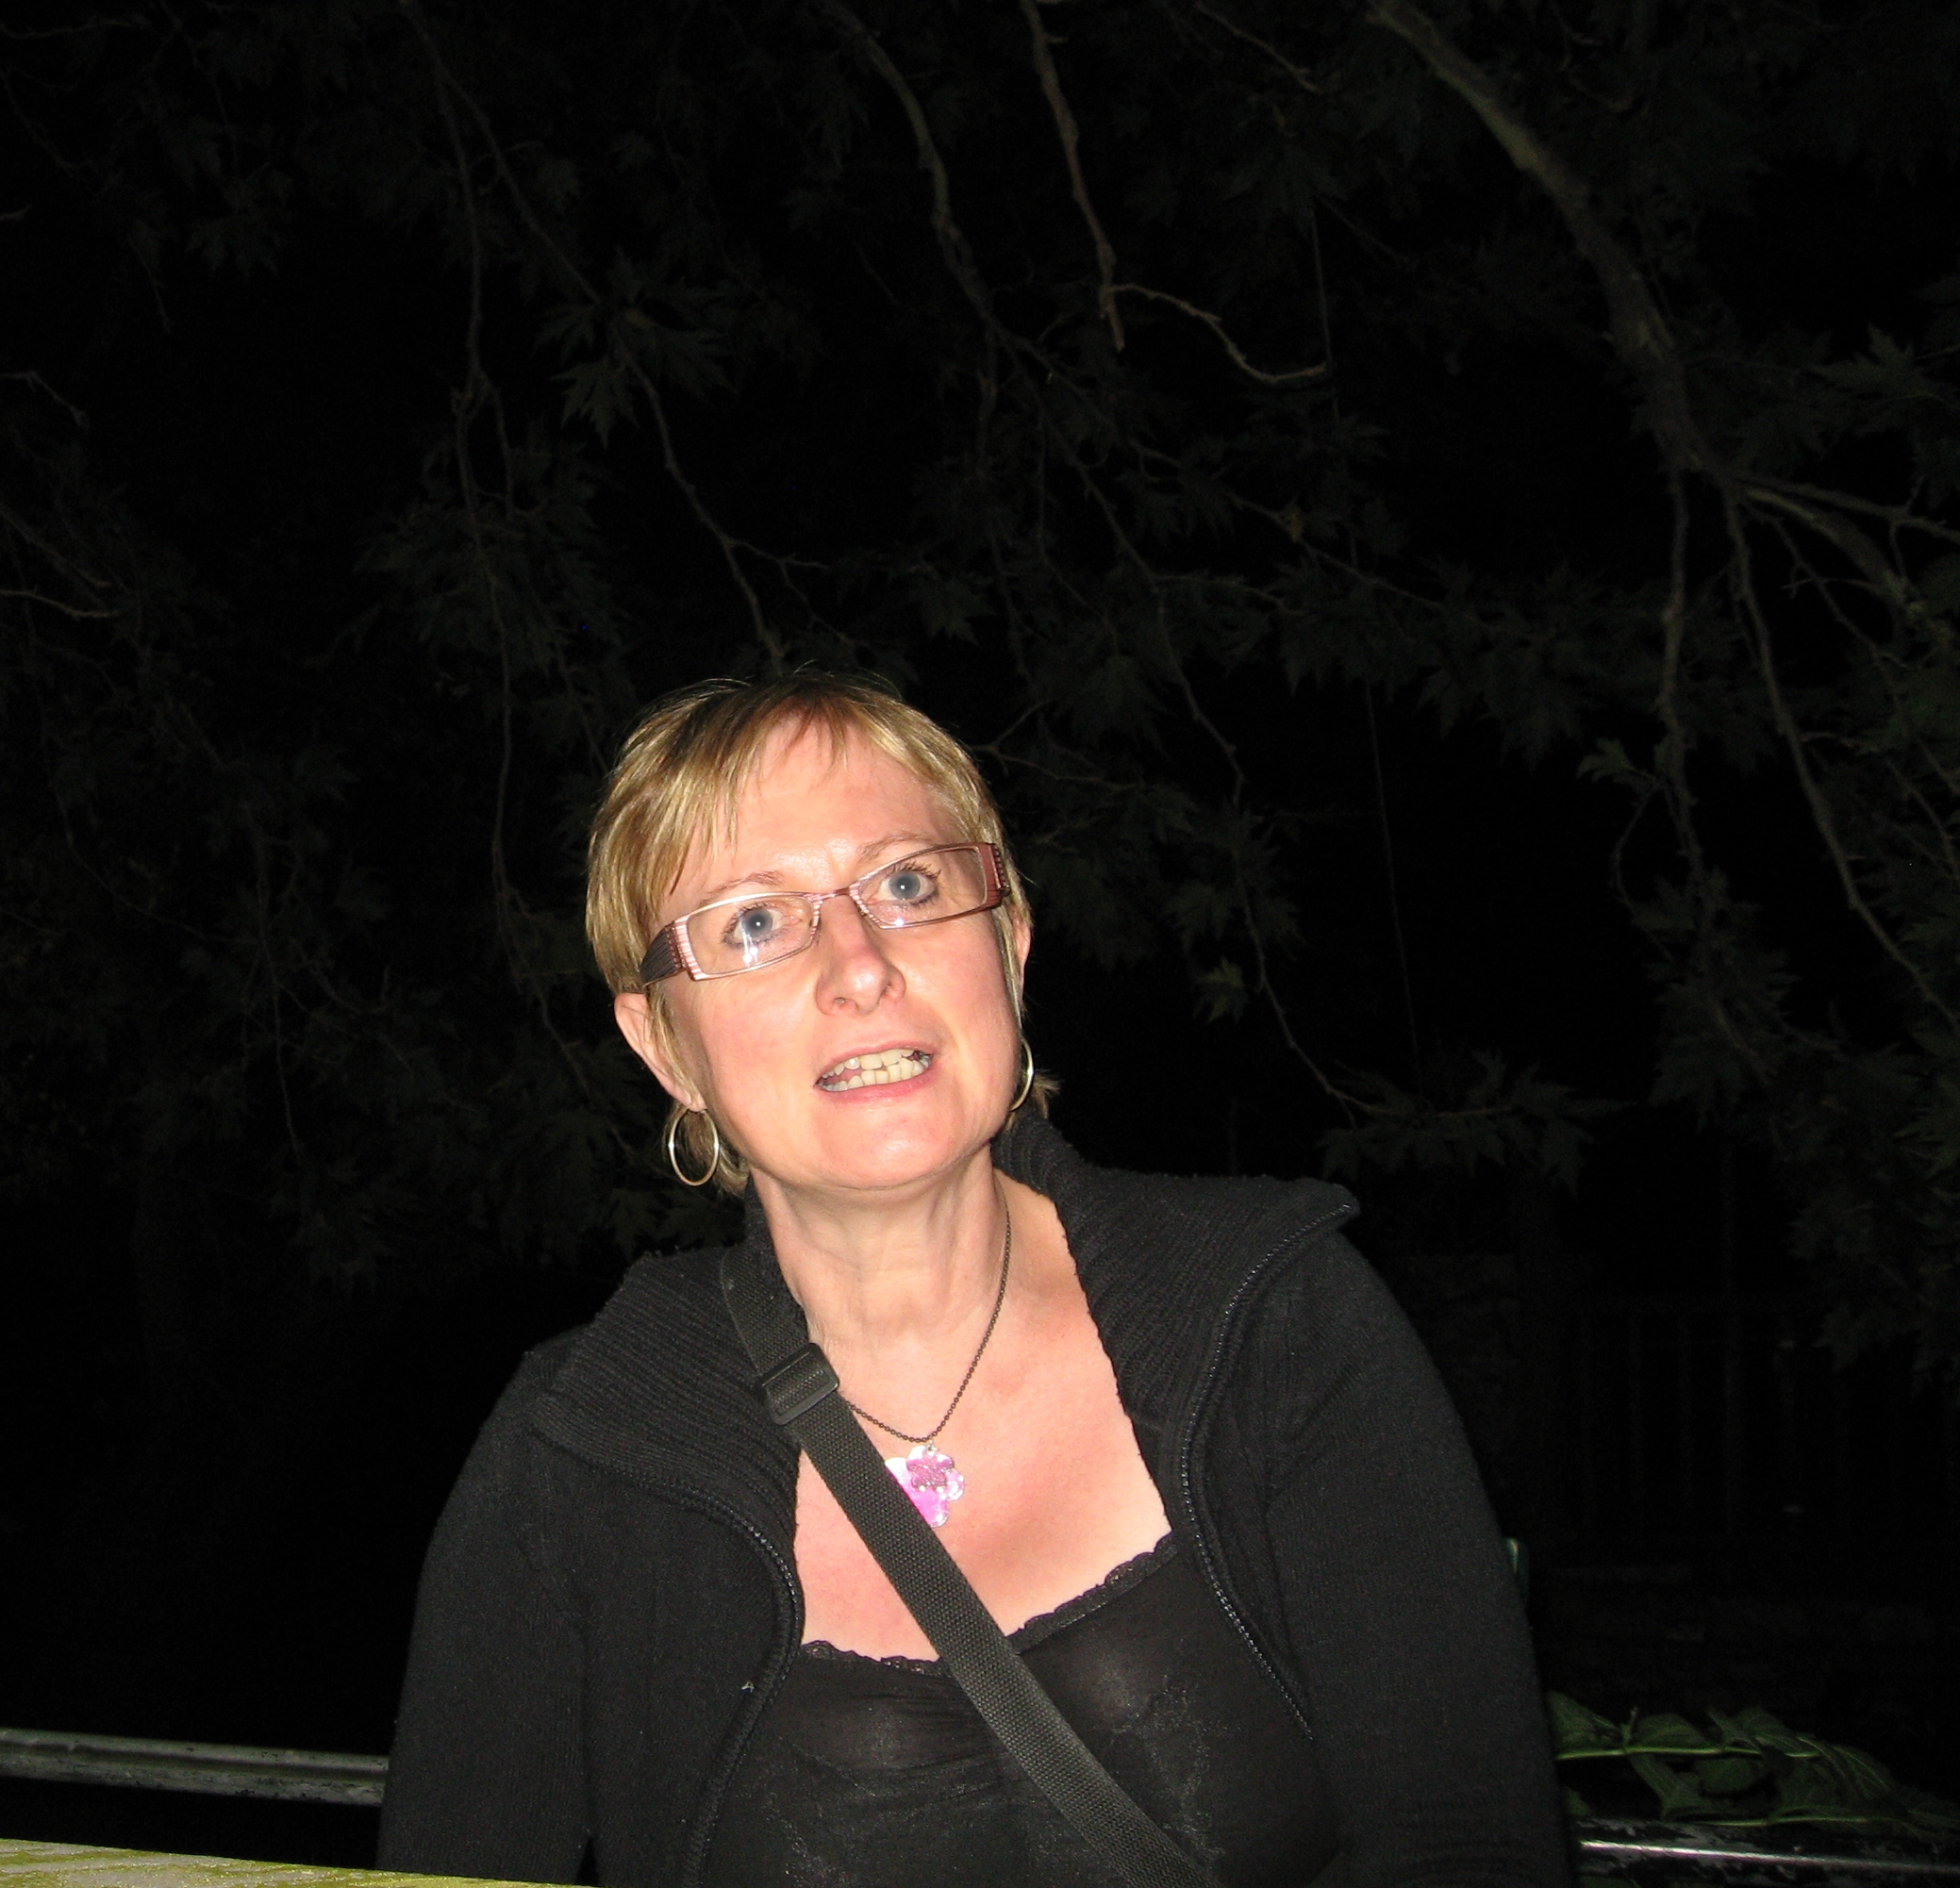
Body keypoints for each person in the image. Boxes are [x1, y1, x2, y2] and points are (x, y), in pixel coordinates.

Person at [380, 671, 1567, 1888]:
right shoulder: (583, 1445)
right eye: (753, 922)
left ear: (1009, 943)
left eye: (907, 885)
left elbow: (1470, 1844)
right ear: (664, 1045)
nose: (859, 966)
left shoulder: (1269, 1315)